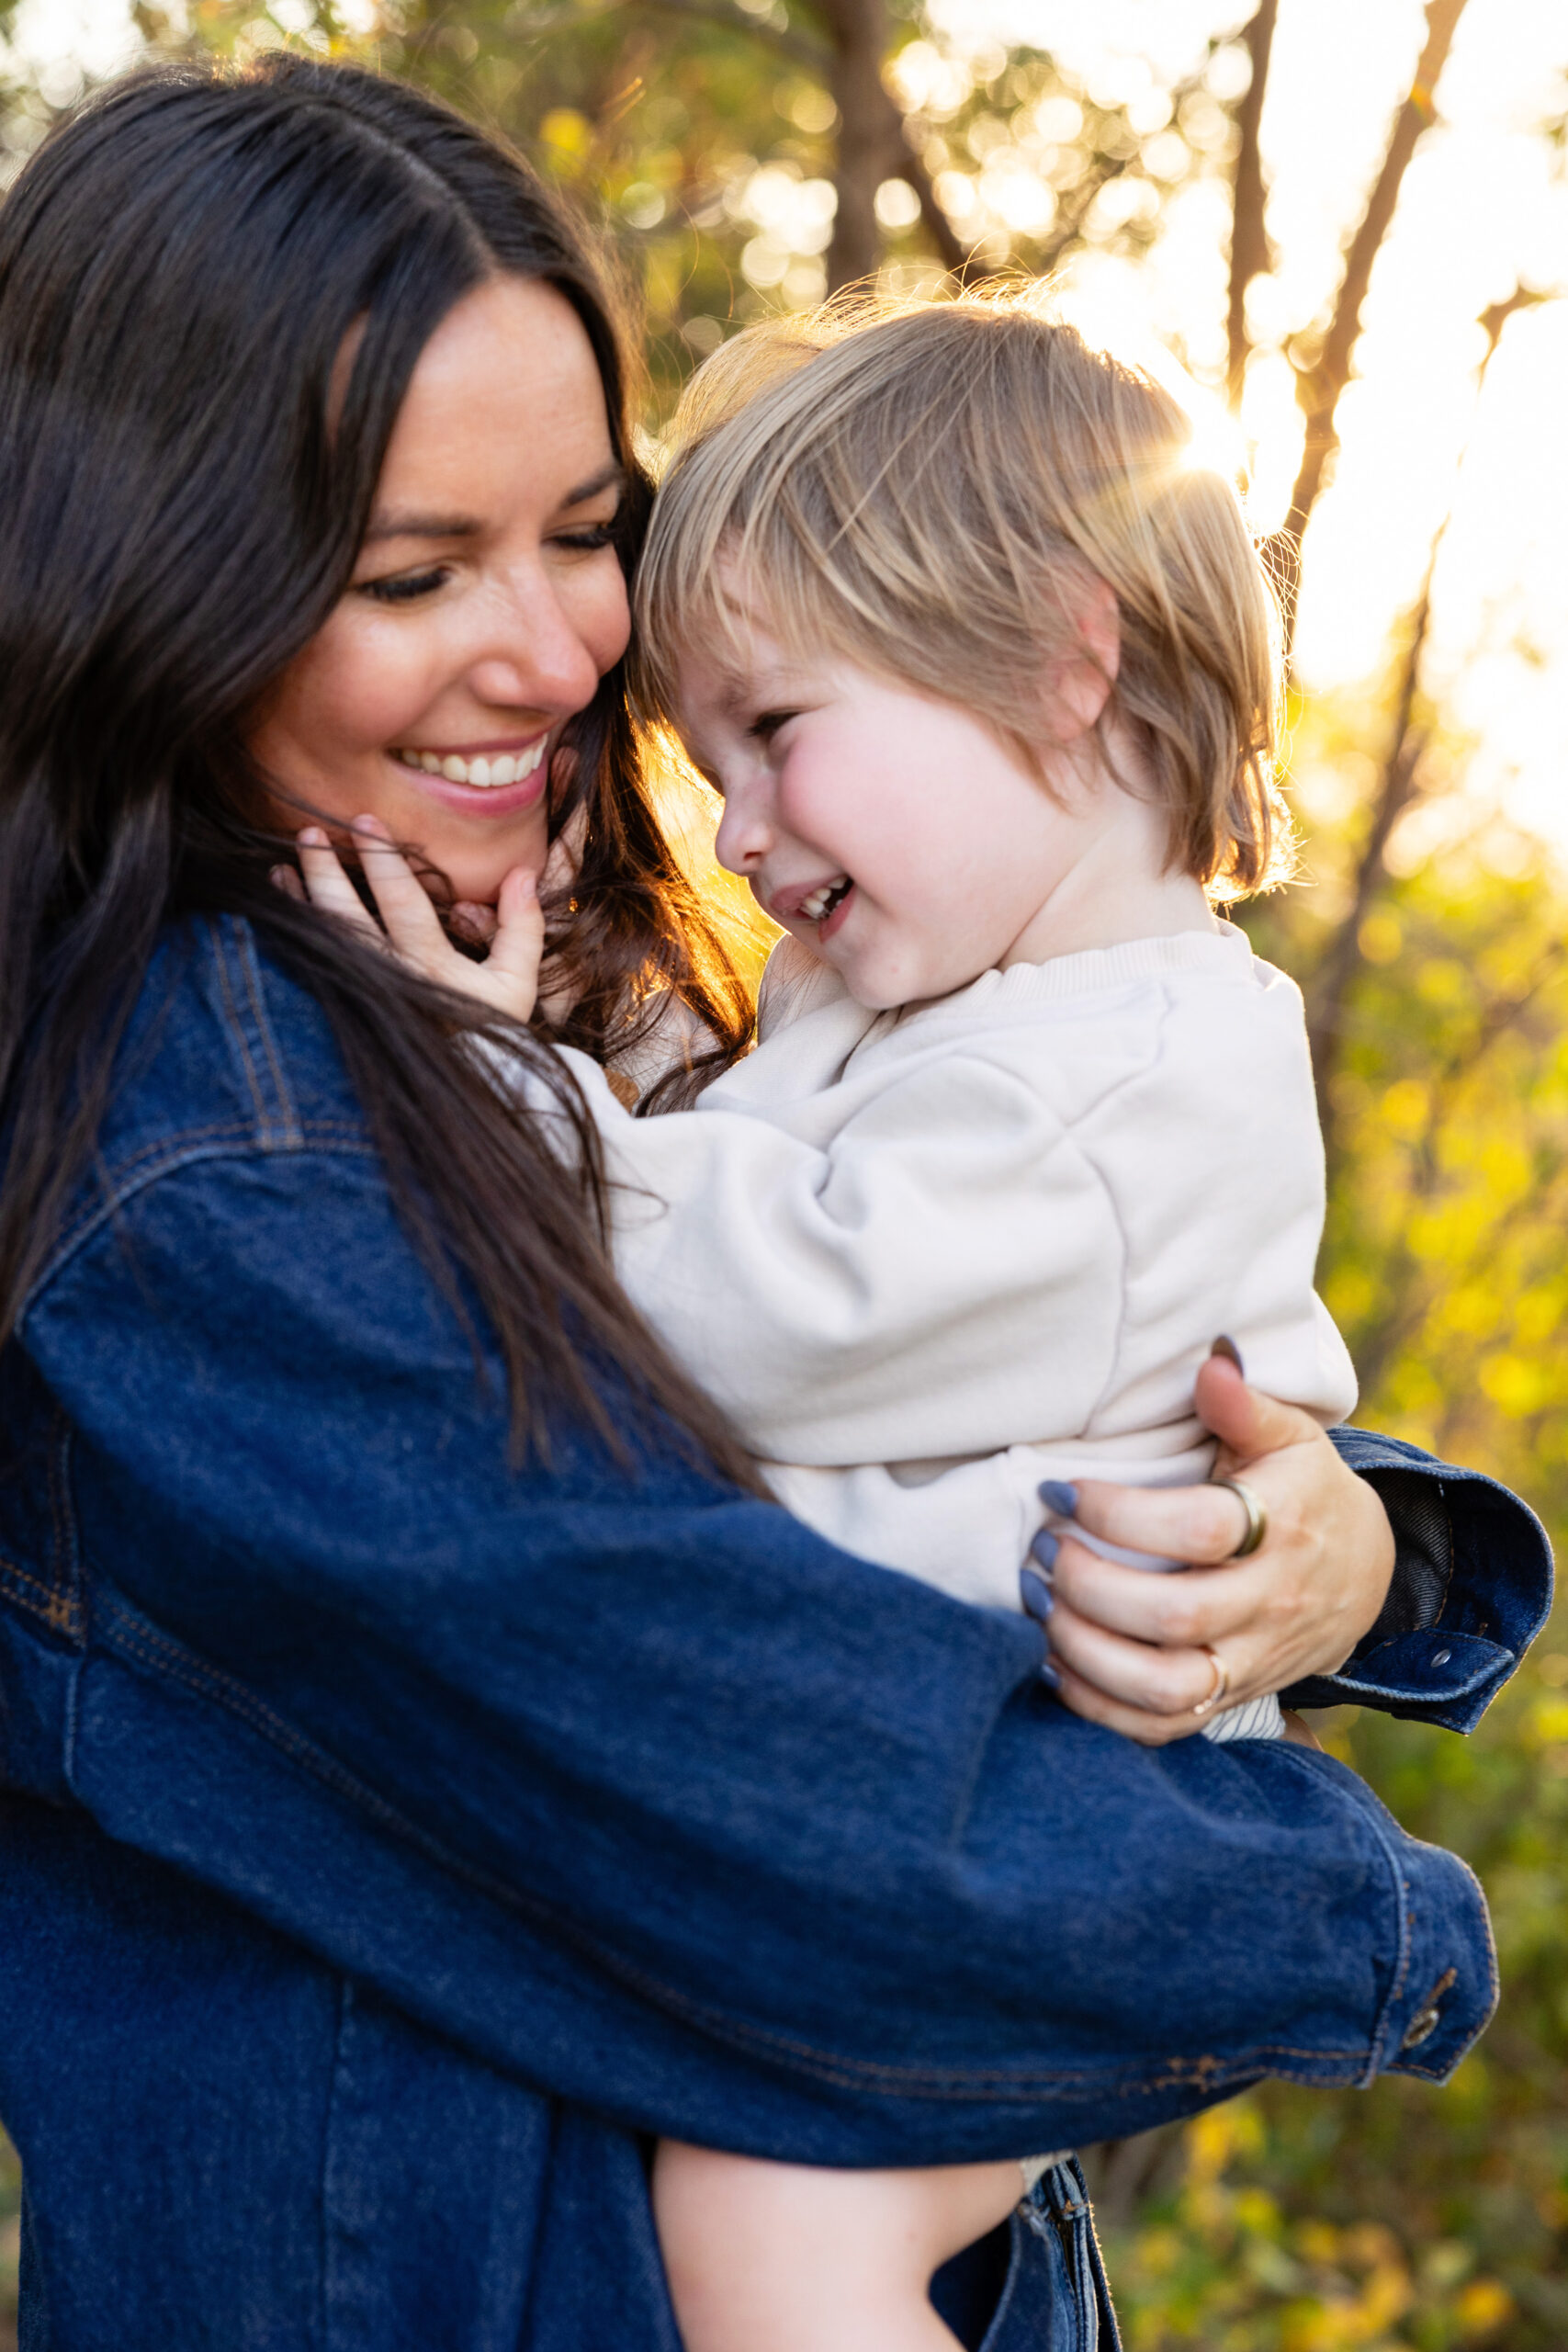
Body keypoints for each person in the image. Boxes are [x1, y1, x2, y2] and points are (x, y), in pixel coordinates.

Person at [0, 55, 1548, 2352]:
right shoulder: (209, 1158)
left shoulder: (613, 968)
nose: (552, 653)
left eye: (580, 527)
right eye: (418, 571)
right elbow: (775, 1772)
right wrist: (1357, 1922)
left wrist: (1342, 1554)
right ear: (154, 585)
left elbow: (910, 1351)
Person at [290, 291, 1369, 2350]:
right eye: (713, 768)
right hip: (960, 1797)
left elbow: (749, 1303)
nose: (745, 831)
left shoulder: (1105, 1087)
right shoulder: (973, 1002)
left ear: (1067, 660)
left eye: (777, 734)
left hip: (1054, 1822)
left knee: (778, 2245)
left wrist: (472, 1068)